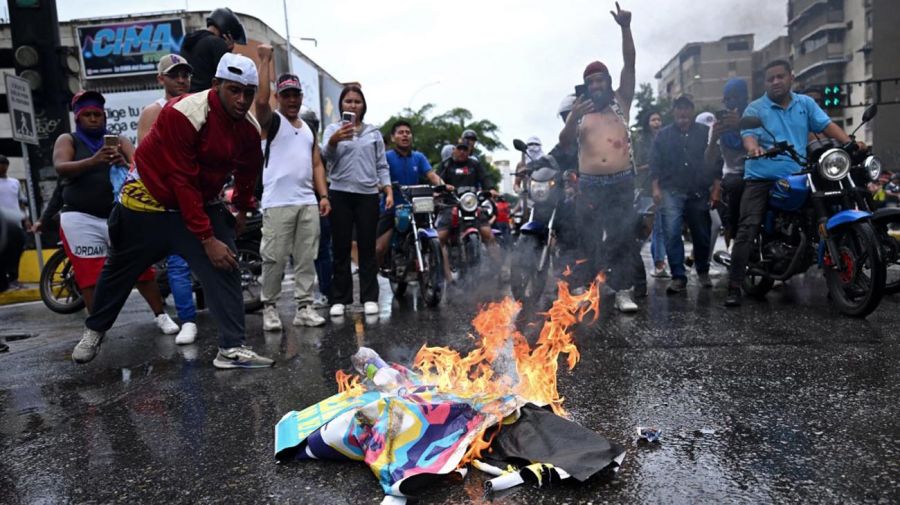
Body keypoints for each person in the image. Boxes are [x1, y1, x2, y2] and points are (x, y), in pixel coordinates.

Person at [70, 54, 274, 369]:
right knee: (120, 270)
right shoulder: (184, 113)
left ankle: (232, 349)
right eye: (235, 90)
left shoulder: (247, 127)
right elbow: (182, 179)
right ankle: (95, 329)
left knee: (227, 264)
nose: (242, 99)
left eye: (248, 92)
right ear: (217, 85)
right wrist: (207, 238)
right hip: (146, 202)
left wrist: (243, 211)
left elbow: (249, 170)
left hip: (194, 202)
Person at [724, 60, 862, 307]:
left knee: (832, 206)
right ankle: (734, 285)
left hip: (798, 174)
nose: (776, 81)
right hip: (761, 177)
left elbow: (827, 126)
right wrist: (754, 149)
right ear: (765, 83)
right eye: (770, 78)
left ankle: (841, 276)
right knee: (748, 227)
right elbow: (749, 136)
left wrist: (851, 143)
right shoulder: (755, 109)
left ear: (791, 77)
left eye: (780, 76)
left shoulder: (805, 104)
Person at [52, 90, 178, 334]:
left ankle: (160, 315)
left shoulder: (119, 140)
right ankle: (96, 327)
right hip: (80, 217)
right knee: (89, 276)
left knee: (141, 268)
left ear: (104, 117)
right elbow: (61, 167)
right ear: (78, 118)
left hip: (119, 215)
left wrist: (125, 163)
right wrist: (94, 161)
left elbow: (140, 166)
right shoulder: (68, 140)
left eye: (97, 114)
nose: (93, 119)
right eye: (87, 115)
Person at [558, 2, 638, 313]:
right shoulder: (581, 113)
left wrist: (625, 28)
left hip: (621, 181)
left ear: (607, 82)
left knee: (621, 237)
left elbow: (630, 63)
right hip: (590, 184)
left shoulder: (621, 100)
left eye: (600, 80)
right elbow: (564, 144)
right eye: (590, 82)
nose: (596, 86)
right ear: (586, 87)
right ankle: (584, 288)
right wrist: (572, 118)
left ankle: (623, 291)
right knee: (587, 237)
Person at [255, 45, 331, 331]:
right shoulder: (271, 121)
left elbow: (316, 165)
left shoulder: (308, 128)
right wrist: (265, 60)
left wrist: (322, 195)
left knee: (306, 257)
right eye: (285, 95)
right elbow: (260, 101)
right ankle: (270, 308)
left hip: (307, 202)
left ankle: (304, 307)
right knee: (273, 259)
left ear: (300, 97)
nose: (291, 100)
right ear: (279, 97)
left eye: (295, 95)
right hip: (277, 203)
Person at [136, 53, 199, 345]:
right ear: (161, 79)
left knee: (203, 259)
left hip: (197, 192)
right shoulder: (154, 110)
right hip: (168, 198)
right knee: (175, 261)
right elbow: (144, 158)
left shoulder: (198, 105)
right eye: (175, 75)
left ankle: (201, 321)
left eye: (185, 74)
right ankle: (184, 319)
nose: (182, 80)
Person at [321, 85, 393, 317]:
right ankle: (340, 298)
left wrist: (388, 190)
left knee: (367, 247)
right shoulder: (333, 129)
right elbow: (325, 158)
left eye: (357, 102)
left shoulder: (373, 133)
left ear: (364, 106)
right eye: (348, 101)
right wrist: (333, 141)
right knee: (340, 246)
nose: (352, 105)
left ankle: (369, 297)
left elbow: (382, 165)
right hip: (340, 192)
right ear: (341, 105)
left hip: (368, 195)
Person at [650, 96, 718, 294]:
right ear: (674, 112)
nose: (683, 113)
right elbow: (655, 164)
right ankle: (678, 276)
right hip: (671, 190)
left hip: (698, 190)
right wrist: (655, 188)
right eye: (679, 108)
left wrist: (716, 187)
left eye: (687, 108)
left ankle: (703, 270)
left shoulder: (705, 133)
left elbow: (716, 161)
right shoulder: (663, 136)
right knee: (671, 233)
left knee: (702, 234)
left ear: (692, 110)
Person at [375, 120, 443, 266]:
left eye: (408, 132)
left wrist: (443, 186)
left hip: (417, 207)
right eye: (400, 132)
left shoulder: (419, 157)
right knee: (379, 248)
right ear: (393, 138)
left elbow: (432, 175)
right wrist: (382, 187)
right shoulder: (386, 157)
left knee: (438, 239)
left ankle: (443, 277)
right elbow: (376, 178)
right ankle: (372, 280)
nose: (405, 135)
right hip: (391, 208)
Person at [436, 140, 498, 282]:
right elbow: (438, 180)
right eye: (460, 149)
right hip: (451, 206)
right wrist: (440, 190)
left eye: (465, 149)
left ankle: (499, 271)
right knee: (440, 238)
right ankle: (448, 277)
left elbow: (485, 178)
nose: (463, 152)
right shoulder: (447, 165)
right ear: (454, 150)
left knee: (489, 235)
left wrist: (491, 189)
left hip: (472, 205)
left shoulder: (474, 164)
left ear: (469, 151)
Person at [705, 78, 750, 252]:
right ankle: (733, 243)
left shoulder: (755, 117)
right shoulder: (718, 125)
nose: (731, 102)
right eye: (727, 98)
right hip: (733, 175)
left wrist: (740, 126)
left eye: (736, 97)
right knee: (734, 188)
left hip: (759, 171)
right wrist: (714, 139)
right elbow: (709, 160)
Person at [180, 7, 246, 94]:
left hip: (188, 99)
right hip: (206, 99)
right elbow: (228, 77)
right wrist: (228, 53)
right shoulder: (217, 43)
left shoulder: (189, 41)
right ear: (227, 31)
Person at [634, 108, 667, 278]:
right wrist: (655, 165)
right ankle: (631, 257)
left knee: (660, 228)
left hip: (664, 188)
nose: (657, 123)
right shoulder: (642, 141)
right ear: (648, 123)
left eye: (659, 119)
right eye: (653, 120)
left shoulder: (665, 139)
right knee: (644, 229)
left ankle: (659, 264)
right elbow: (637, 167)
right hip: (647, 188)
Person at [0, 155, 26, 292]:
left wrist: (25, 220)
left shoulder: (14, 182)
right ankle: (5, 280)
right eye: (1, 164)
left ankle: (14, 279)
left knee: (17, 252)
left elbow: (21, 202)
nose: (3, 167)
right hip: (2, 227)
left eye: (5, 164)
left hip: (16, 225)